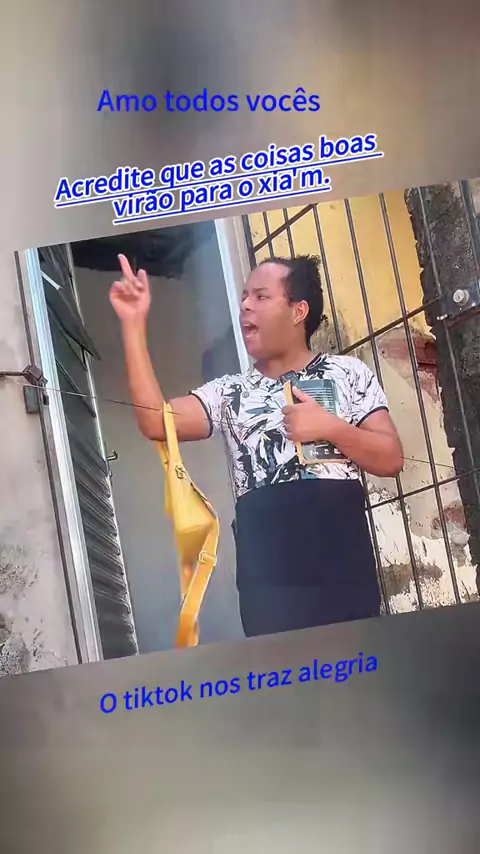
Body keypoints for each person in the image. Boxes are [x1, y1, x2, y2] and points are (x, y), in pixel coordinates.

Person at [110, 252, 403, 637]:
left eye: (261, 296)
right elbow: (155, 421)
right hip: (268, 576)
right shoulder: (228, 392)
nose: (246, 305)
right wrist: (133, 324)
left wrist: (332, 428)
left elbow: (390, 458)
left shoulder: (348, 373)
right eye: (244, 297)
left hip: (343, 562)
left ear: (298, 311)